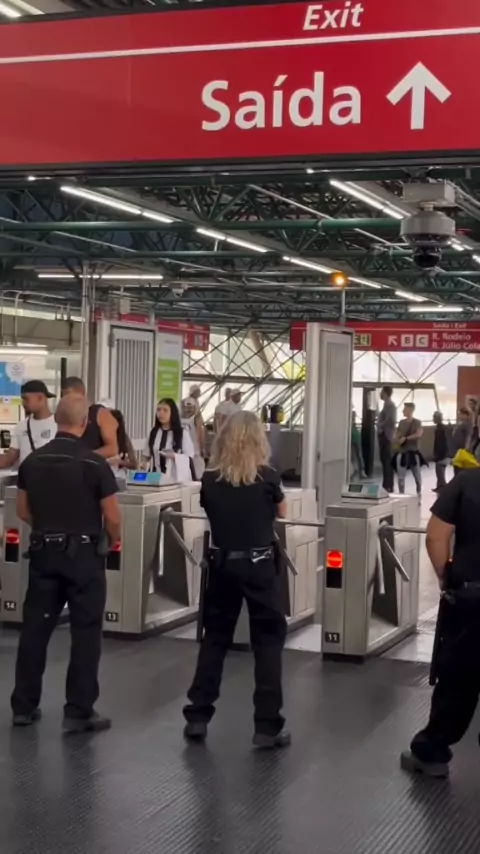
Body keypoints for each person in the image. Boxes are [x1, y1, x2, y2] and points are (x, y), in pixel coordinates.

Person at [10, 396, 121, 732]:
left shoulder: (32, 462)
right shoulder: (94, 464)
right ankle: (78, 711)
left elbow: (22, 510)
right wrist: (110, 539)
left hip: (44, 554)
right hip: (84, 558)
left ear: (57, 420)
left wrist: (47, 529)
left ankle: (24, 707)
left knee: (35, 630)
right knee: (85, 633)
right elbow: (113, 517)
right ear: (85, 424)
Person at [183, 411, 290, 750]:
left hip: (222, 565)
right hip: (259, 565)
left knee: (215, 639)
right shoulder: (268, 477)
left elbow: (211, 510)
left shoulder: (209, 480)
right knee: (267, 642)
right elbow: (282, 513)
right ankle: (267, 726)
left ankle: (197, 716)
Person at [401, 469, 480, 778]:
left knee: (459, 677)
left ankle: (432, 751)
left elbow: (436, 535)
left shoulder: (467, 482)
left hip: (471, 597)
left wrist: (446, 579)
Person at [0, 380, 57, 469]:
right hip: (27, 477)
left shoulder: (59, 424)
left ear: (40, 398)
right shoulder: (21, 427)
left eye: (26, 399)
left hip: (51, 476)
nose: (23, 403)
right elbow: (8, 459)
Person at [61, 377, 118, 459]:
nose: (67, 400)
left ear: (82, 393)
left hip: (94, 464)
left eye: (69, 396)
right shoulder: (67, 414)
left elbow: (112, 449)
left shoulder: (100, 413)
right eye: (64, 397)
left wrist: (85, 456)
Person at [142, 398, 195, 482]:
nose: (161, 413)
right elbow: (146, 455)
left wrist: (174, 456)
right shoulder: (154, 432)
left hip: (175, 478)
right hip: (155, 477)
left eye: (165, 410)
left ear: (172, 413)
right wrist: (144, 464)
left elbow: (189, 457)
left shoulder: (182, 433)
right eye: (158, 410)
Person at [393, 402, 425, 496]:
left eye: (405, 409)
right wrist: (398, 439)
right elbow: (397, 434)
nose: (403, 411)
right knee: (401, 476)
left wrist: (406, 439)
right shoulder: (401, 422)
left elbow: (419, 434)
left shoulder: (417, 422)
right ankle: (401, 493)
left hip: (413, 452)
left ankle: (419, 491)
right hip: (402, 452)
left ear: (411, 410)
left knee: (417, 475)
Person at [377, 386, 397, 492]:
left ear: (385, 393)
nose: (380, 394)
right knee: (384, 460)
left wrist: (381, 425)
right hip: (383, 435)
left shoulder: (391, 406)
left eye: (382, 392)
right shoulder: (386, 405)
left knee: (387, 460)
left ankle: (388, 484)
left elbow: (391, 420)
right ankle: (386, 483)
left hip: (386, 436)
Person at [181, 396, 205, 479]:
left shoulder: (196, 419)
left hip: (193, 450)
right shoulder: (196, 418)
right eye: (187, 407)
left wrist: (202, 448)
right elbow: (201, 434)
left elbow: (200, 434)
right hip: (188, 450)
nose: (189, 410)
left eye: (190, 407)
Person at [109, 409, 137, 474]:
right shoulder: (101, 436)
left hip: (119, 475)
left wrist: (119, 461)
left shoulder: (124, 438)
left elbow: (134, 464)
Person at [452, 407, 473, 476]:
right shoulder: (460, 423)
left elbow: (468, 436)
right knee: (456, 467)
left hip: (462, 449)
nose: (459, 415)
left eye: (461, 414)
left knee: (460, 469)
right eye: (459, 414)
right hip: (456, 449)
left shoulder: (468, 424)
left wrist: (466, 449)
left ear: (466, 415)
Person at [433, 411, 449, 493]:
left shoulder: (441, 429)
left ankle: (443, 487)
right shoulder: (440, 428)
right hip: (441, 453)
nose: (433, 419)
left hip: (441, 453)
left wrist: (440, 454)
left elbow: (441, 443)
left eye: (434, 417)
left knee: (440, 472)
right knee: (439, 472)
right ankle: (439, 486)